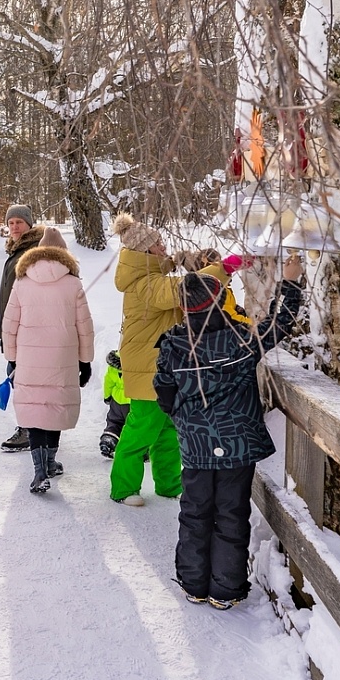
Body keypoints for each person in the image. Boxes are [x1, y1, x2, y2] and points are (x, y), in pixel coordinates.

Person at [155, 253, 304, 609]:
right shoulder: (241, 341)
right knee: (231, 513)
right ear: (221, 302)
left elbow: (164, 394)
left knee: (195, 512)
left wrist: (188, 421)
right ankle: (225, 589)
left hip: (196, 446)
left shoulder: (173, 345)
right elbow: (280, 323)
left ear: (184, 309)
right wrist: (291, 283)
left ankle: (194, 584)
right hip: (237, 445)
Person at [108, 213, 229, 506]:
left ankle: (169, 485)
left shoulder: (154, 277)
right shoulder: (144, 283)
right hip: (147, 366)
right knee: (141, 429)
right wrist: (226, 267)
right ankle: (123, 489)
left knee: (168, 431)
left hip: (164, 367)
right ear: (145, 251)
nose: (164, 247)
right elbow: (186, 290)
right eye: (158, 244)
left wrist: (192, 262)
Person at [2, 227, 94, 493]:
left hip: (29, 357)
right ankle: (51, 462)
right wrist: (85, 361)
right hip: (62, 357)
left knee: (35, 409)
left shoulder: (22, 281)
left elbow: (10, 324)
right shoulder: (73, 283)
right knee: (55, 406)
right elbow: (84, 326)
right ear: (64, 253)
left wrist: (12, 358)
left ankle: (40, 471)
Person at [0, 204, 45, 452]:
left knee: (24, 380)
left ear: (29, 224)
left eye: (19, 222)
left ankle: (30, 429)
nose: (14, 227)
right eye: (11, 222)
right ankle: (37, 427)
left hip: (27, 329)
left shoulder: (33, 252)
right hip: (14, 327)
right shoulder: (16, 250)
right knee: (19, 376)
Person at [99, 349, 131, 457]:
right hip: (132, 400)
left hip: (116, 401)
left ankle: (108, 440)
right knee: (133, 425)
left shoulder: (113, 366)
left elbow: (108, 382)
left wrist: (107, 397)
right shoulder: (136, 361)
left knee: (114, 422)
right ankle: (136, 449)